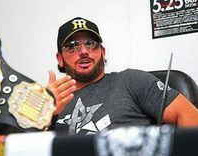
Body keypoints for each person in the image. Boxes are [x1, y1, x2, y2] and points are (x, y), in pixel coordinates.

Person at [47, 17, 198, 135]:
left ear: (102, 52)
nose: (84, 51)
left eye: (91, 43)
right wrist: (42, 111)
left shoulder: (131, 81)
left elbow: (190, 117)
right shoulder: (51, 100)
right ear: (60, 58)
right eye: (72, 46)